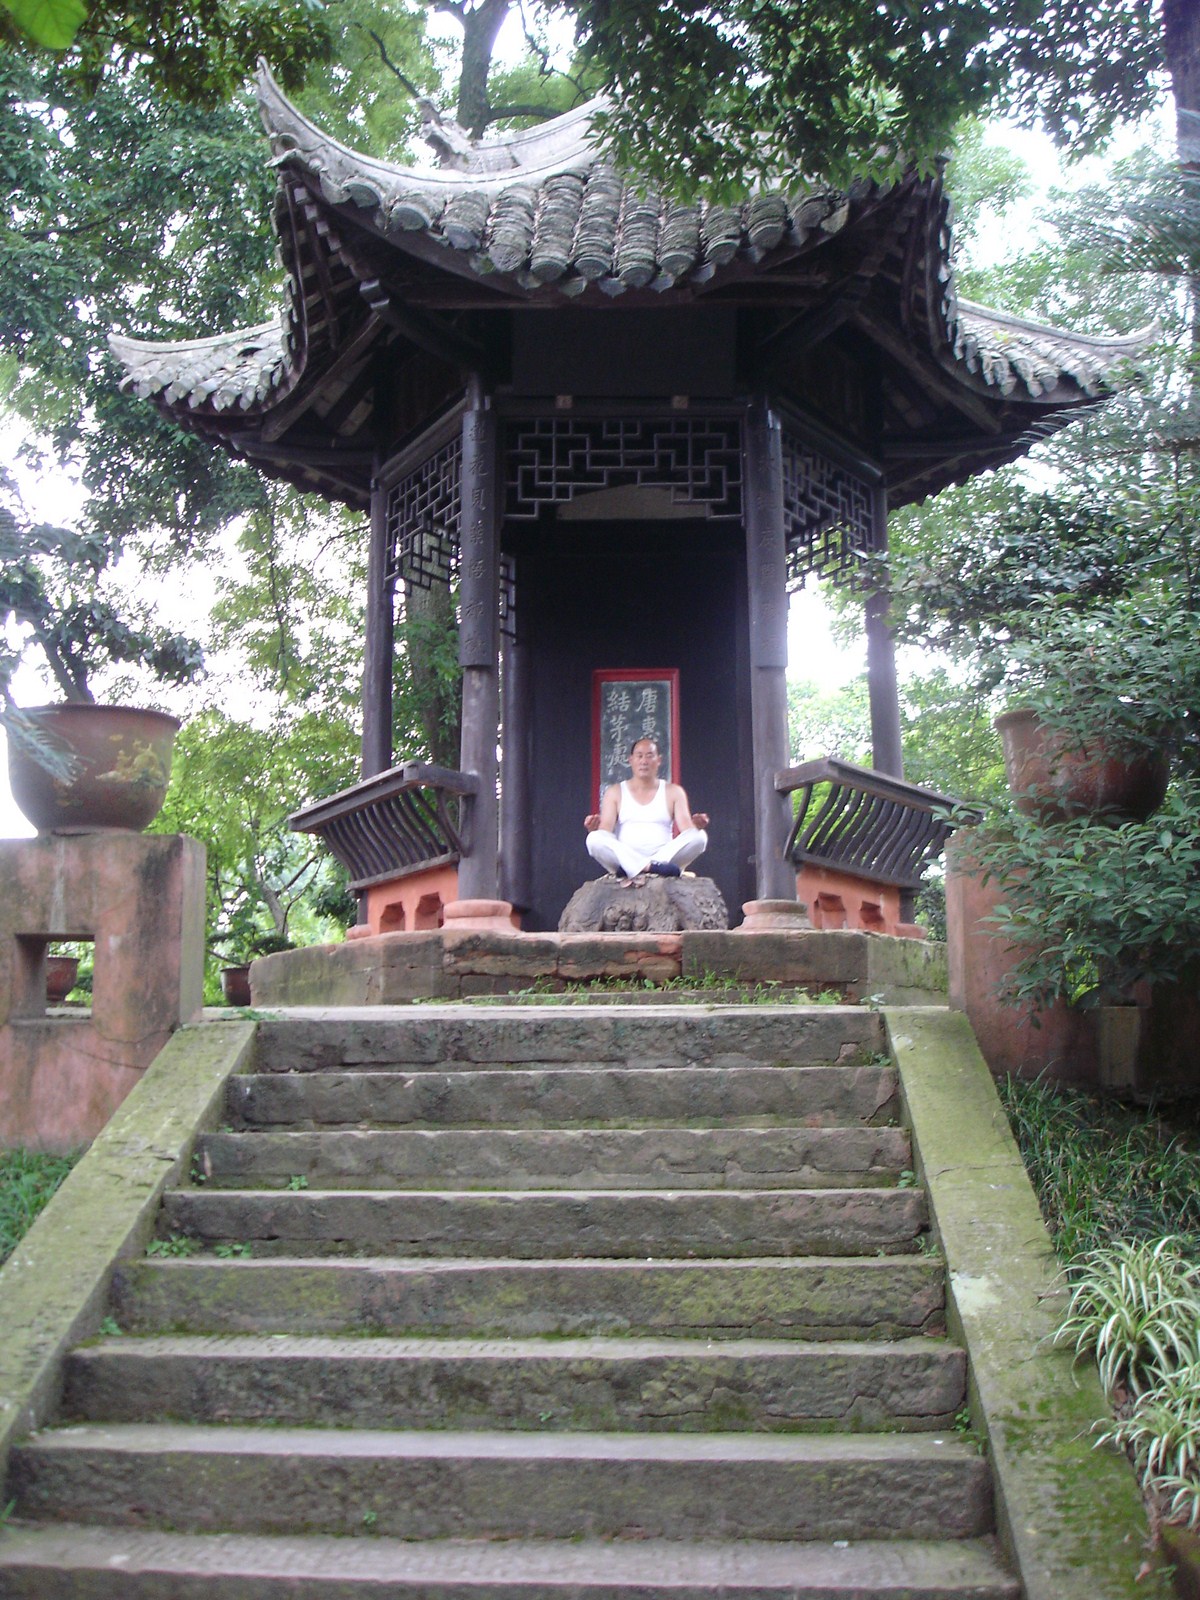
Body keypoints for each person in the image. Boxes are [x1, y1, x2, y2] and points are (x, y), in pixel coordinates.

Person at [584, 736, 709, 879]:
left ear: (659, 760)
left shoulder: (674, 791)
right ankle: (646, 867)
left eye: (649, 756)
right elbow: (605, 830)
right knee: (594, 839)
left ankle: (642, 867)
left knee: (699, 837)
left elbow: (686, 828)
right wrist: (594, 829)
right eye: (639, 756)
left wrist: (696, 826)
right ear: (630, 760)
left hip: (664, 858)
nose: (644, 761)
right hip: (626, 856)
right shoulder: (615, 792)